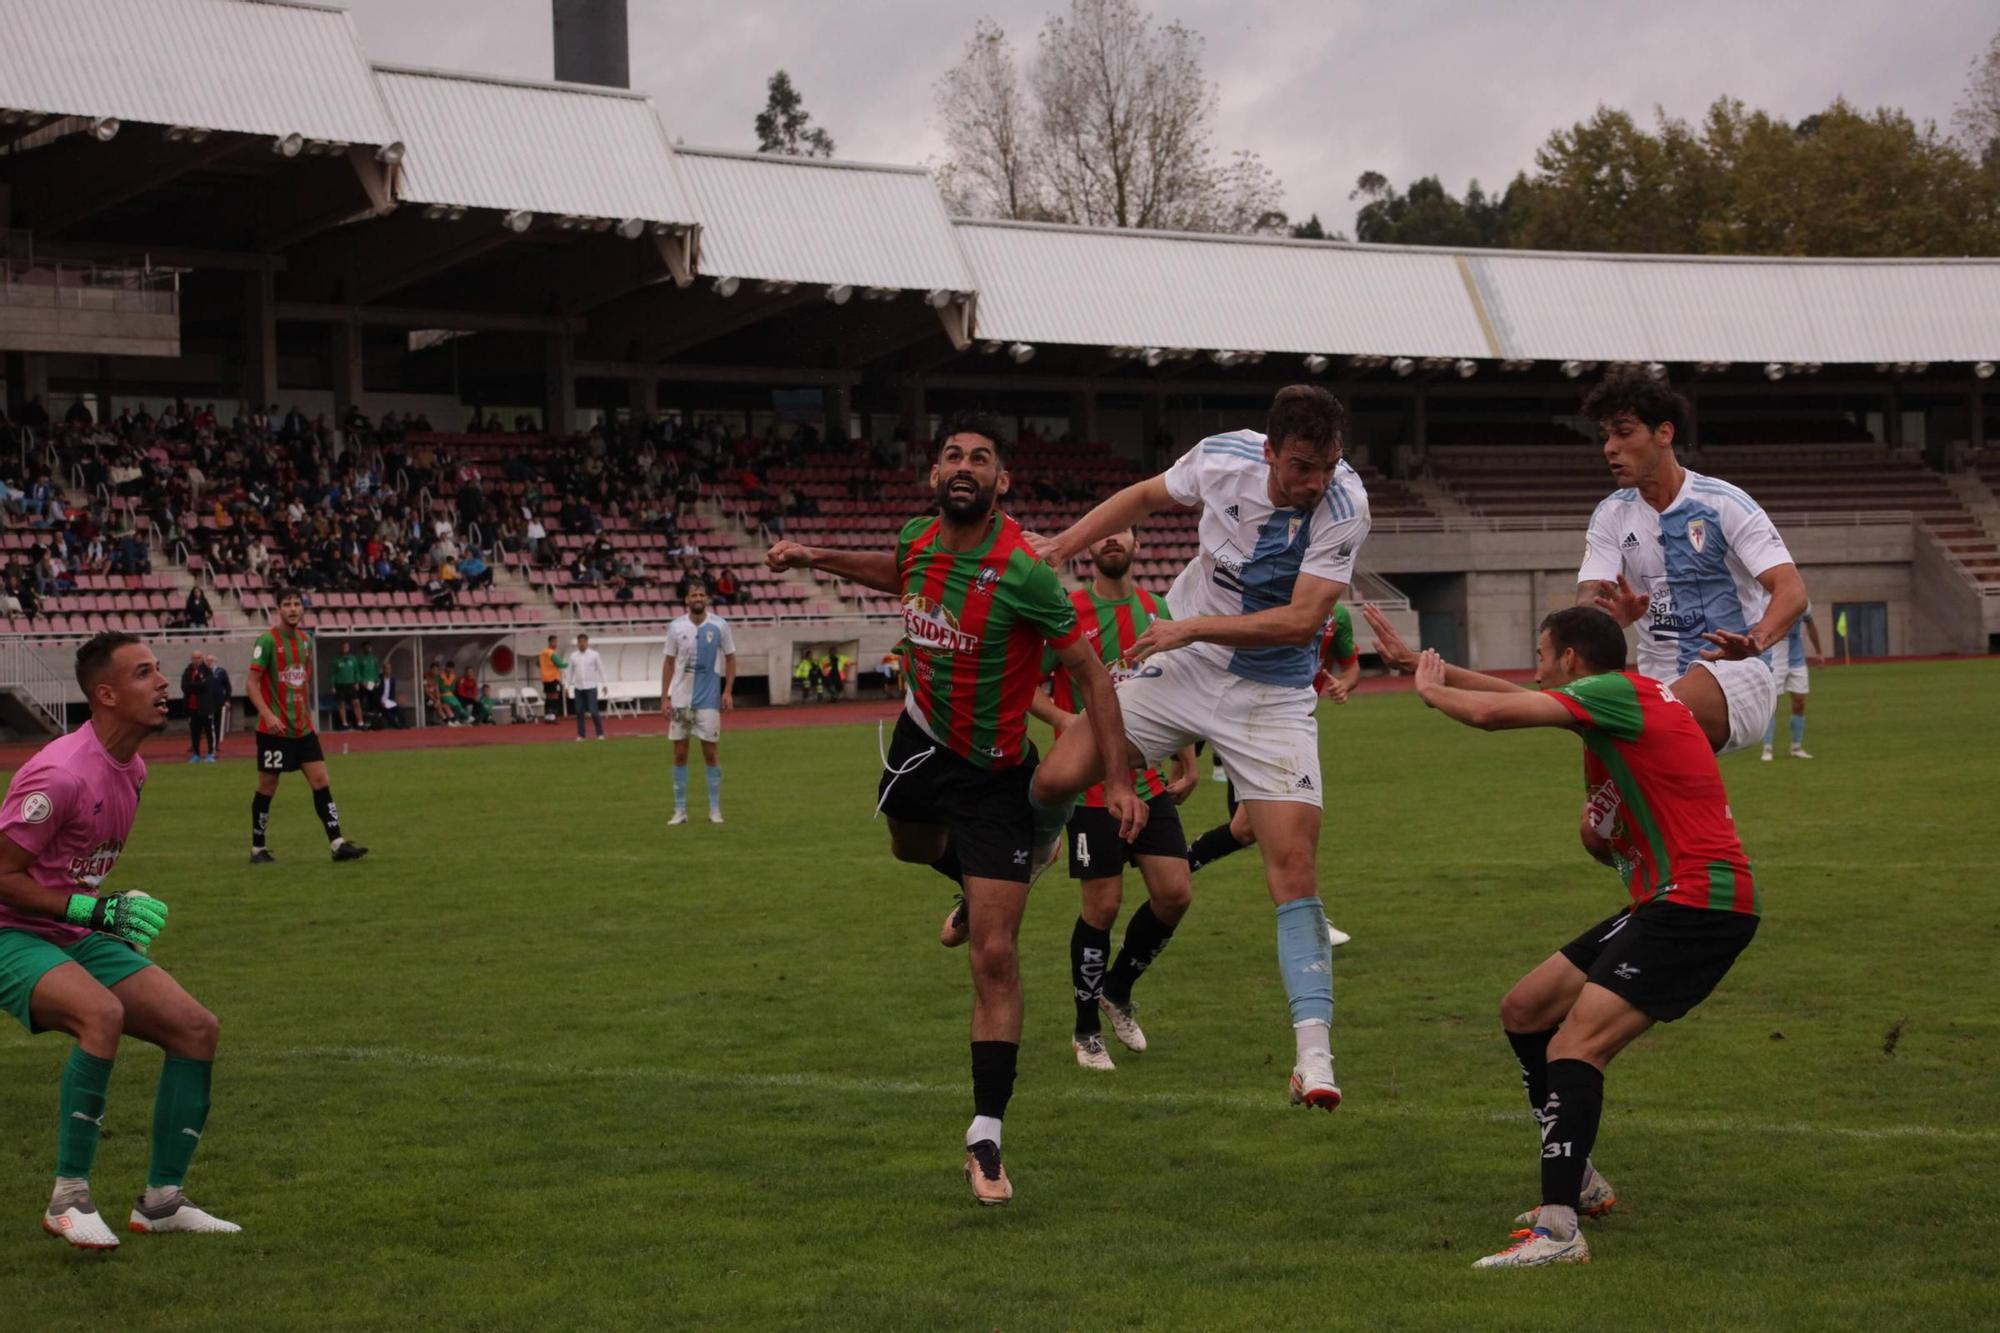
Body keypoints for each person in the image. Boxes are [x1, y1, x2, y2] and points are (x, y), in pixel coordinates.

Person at [765, 413, 1140, 1206]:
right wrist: (816, 554)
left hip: (997, 776)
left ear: (1002, 481)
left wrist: (1119, 781)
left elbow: (1096, 677)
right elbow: (893, 570)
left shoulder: (1026, 573)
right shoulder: (917, 541)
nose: (963, 465)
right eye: (950, 455)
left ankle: (987, 1134)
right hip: (921, 742)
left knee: (995, 956)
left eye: (980, 457)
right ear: (934, 475)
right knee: (907, 846)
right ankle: (971, 881)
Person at [1024, 386, 1369, 1113]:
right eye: (1301, 466)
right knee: (1055, 777)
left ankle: (1314, 1056)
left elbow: (1304, 619)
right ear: (1270, 450)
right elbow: (1144, 496)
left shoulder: (1345, 504)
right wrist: (1060, 545)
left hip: (1268, 696)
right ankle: (1031, 849)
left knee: (1294, 866)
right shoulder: (1222, 457)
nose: (1314, 483)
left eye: (1326, 466)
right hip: (1178, 667)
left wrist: (1190, 628)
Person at [1398, 607, 1759, 1270]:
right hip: (1668, 897)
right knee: (1527, 1008)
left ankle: (1560, 1228)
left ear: (1569, 658)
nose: (1537, 666)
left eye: (1541, 652)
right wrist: (1431, 665)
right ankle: (1581, 1177)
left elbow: (1493, 713)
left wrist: (1428, 690)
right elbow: (1523, 699)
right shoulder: (1627, 695)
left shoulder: (1617, 694)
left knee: (1575, 1043)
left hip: (1697, 903)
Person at [0, 633, 239, 1248]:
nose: (162, 682)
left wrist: (101, 907)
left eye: (159, 669)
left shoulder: (132, 769)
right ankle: (69, 1198)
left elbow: (74, 874)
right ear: (105, 694)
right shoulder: (59, 775)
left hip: (73, 927)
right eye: (144, 673)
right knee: (99, 1014)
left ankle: (161, 1202)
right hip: (10, 931)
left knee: (195, 1028)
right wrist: (94, 907)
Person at [1031, 529, 1202, 1071]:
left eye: (1121, 531)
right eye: (1101, 533)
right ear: (1088, 548)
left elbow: (1179, 685)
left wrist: (1189, 755)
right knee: (1101, 909)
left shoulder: (1157, 609)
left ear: (1135, 541)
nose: (1111, 539)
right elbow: (1023, 682)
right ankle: (1085, 1032)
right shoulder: (1067, 610)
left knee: (1175, 894)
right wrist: (1063, 719)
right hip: (1089, 790)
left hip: (1147, 780)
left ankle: (1118, 989)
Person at [1574, 368, 1807, 756]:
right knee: (1600, 816)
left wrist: (1756, 639)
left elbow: (1791, 590)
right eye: (1606, 436)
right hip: (1657, 687)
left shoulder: (1724, 504)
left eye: (1624, 432)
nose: (1610, 448)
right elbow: (1587, 601)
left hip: (1738, 676)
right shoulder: (1610, 516)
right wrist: (1609, 618)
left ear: (1664, 434)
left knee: (1641, 722)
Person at [1183, 602, 1361, 947]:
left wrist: (1344, 685)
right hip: (1250, 723)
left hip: (1289, 724)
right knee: (1286, 829)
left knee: (1246, 828)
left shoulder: (1337, 615)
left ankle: (1179, 863)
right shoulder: (1265, 602)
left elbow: (1350, 667)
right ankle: (1312, 920)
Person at [247, 591, 368, 864]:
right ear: (278, 609)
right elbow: (251, 684)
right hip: (274, 732)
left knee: (321, 781)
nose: (292, 609)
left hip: (303, 729)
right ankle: (257, 848)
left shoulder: (305, 641)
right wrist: (268, 714)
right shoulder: (267, 641)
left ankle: (337, 844)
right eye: (287, 604)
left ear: (303, 609)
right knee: (267, 786)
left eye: (296, 604)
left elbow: (305, 675)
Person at [662, 583, 736, 825]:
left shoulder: (720, 625)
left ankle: (715, 810)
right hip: (681, 700)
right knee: (680, 754)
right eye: (694, 594)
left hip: (709, 701)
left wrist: (728, 691)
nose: (698, 598)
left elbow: (730, 657)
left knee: (711, 753)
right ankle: (680, 810)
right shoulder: (675, 627)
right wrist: (665, 697)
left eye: (701, 594)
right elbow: (669, 663)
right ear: (686, 600)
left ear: (707, 599)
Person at [1762, 606, 1823, 761]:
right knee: (1773, 704)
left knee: (1799, 702)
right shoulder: (1767, 602)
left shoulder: (1804, 602)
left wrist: (1819, 652)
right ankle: (1767, 748)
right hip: (1776, 659)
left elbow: (1810, 625)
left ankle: (1796, 747)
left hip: (1797, 660)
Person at [569, 633, 607, 740]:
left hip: (591, 687)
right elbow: (570, 672)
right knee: (579, 711)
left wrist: (604, 684)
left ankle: (600, 733)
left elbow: (601, 669)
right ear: (577, 643)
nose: (581, 644)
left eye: (583, 642)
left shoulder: (594, 655)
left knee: (593, 710)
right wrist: (567, 685)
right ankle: (581, 735)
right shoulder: (573, 656)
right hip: (578, 687)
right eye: (579, 642)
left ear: (587, 642)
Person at [179, 651, 212, 761]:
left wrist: (192, 686)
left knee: (208, 731)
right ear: (191, 659)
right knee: (194, 732)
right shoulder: (187, 671)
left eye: (198, 658)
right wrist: (197, 685)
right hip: (192, 707)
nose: (196, 660)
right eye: (194, 658)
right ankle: (196, 754)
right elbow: (184, 686)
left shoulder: (207, 670)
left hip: (205, 707)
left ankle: (210, 753)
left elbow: (206, 685)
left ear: (201, 658)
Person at [331, 640, 364, 732]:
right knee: (341, 704)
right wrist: (332, 686)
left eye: (347, 647)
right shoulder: (336, 659)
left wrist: (357, 682)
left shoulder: (353, 659)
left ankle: (360, 722)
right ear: (341, 648)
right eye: (343, 647)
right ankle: (344, 724)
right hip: (340, 685)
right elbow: (332, 674)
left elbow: (357, 671)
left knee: (356, 703)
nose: (345, 648)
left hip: (351, 684)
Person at [203, 654, 230, 758]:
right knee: (209, 724)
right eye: (207, 660)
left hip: (218, 702)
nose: (209, 662)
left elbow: (227, 686)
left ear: (215, 661)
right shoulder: (204, 673)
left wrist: (227, 699)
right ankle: (210, 745)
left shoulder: (221, 672)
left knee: (217, 724)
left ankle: (216, 744)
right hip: (207, 702)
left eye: (211, 660)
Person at [536, 635, 567, 723]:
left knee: (548, 696)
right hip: (553, 677)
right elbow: (560, 664)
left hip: (545, 678)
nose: (556, 644)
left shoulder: (542, 652)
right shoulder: (551, 653)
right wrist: (568, 664)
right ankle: (553, 715)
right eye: (555, 642)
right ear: (550, 642)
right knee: (555, 696)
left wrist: (545, 667)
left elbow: (538, 663)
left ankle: (547, 715)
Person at [356, 643, 381, 729]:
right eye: (366, 647)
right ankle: (364, 722)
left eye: (369, 647)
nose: (368, 648)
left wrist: (377, 680)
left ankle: (374, 721)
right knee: (363, 702)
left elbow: (377, 670)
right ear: (363, 648)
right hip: (364, 684)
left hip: (372, 684)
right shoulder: (361, 659)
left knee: (373, 702)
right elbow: (358, 672)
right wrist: (361, 681)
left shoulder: (374, 658)